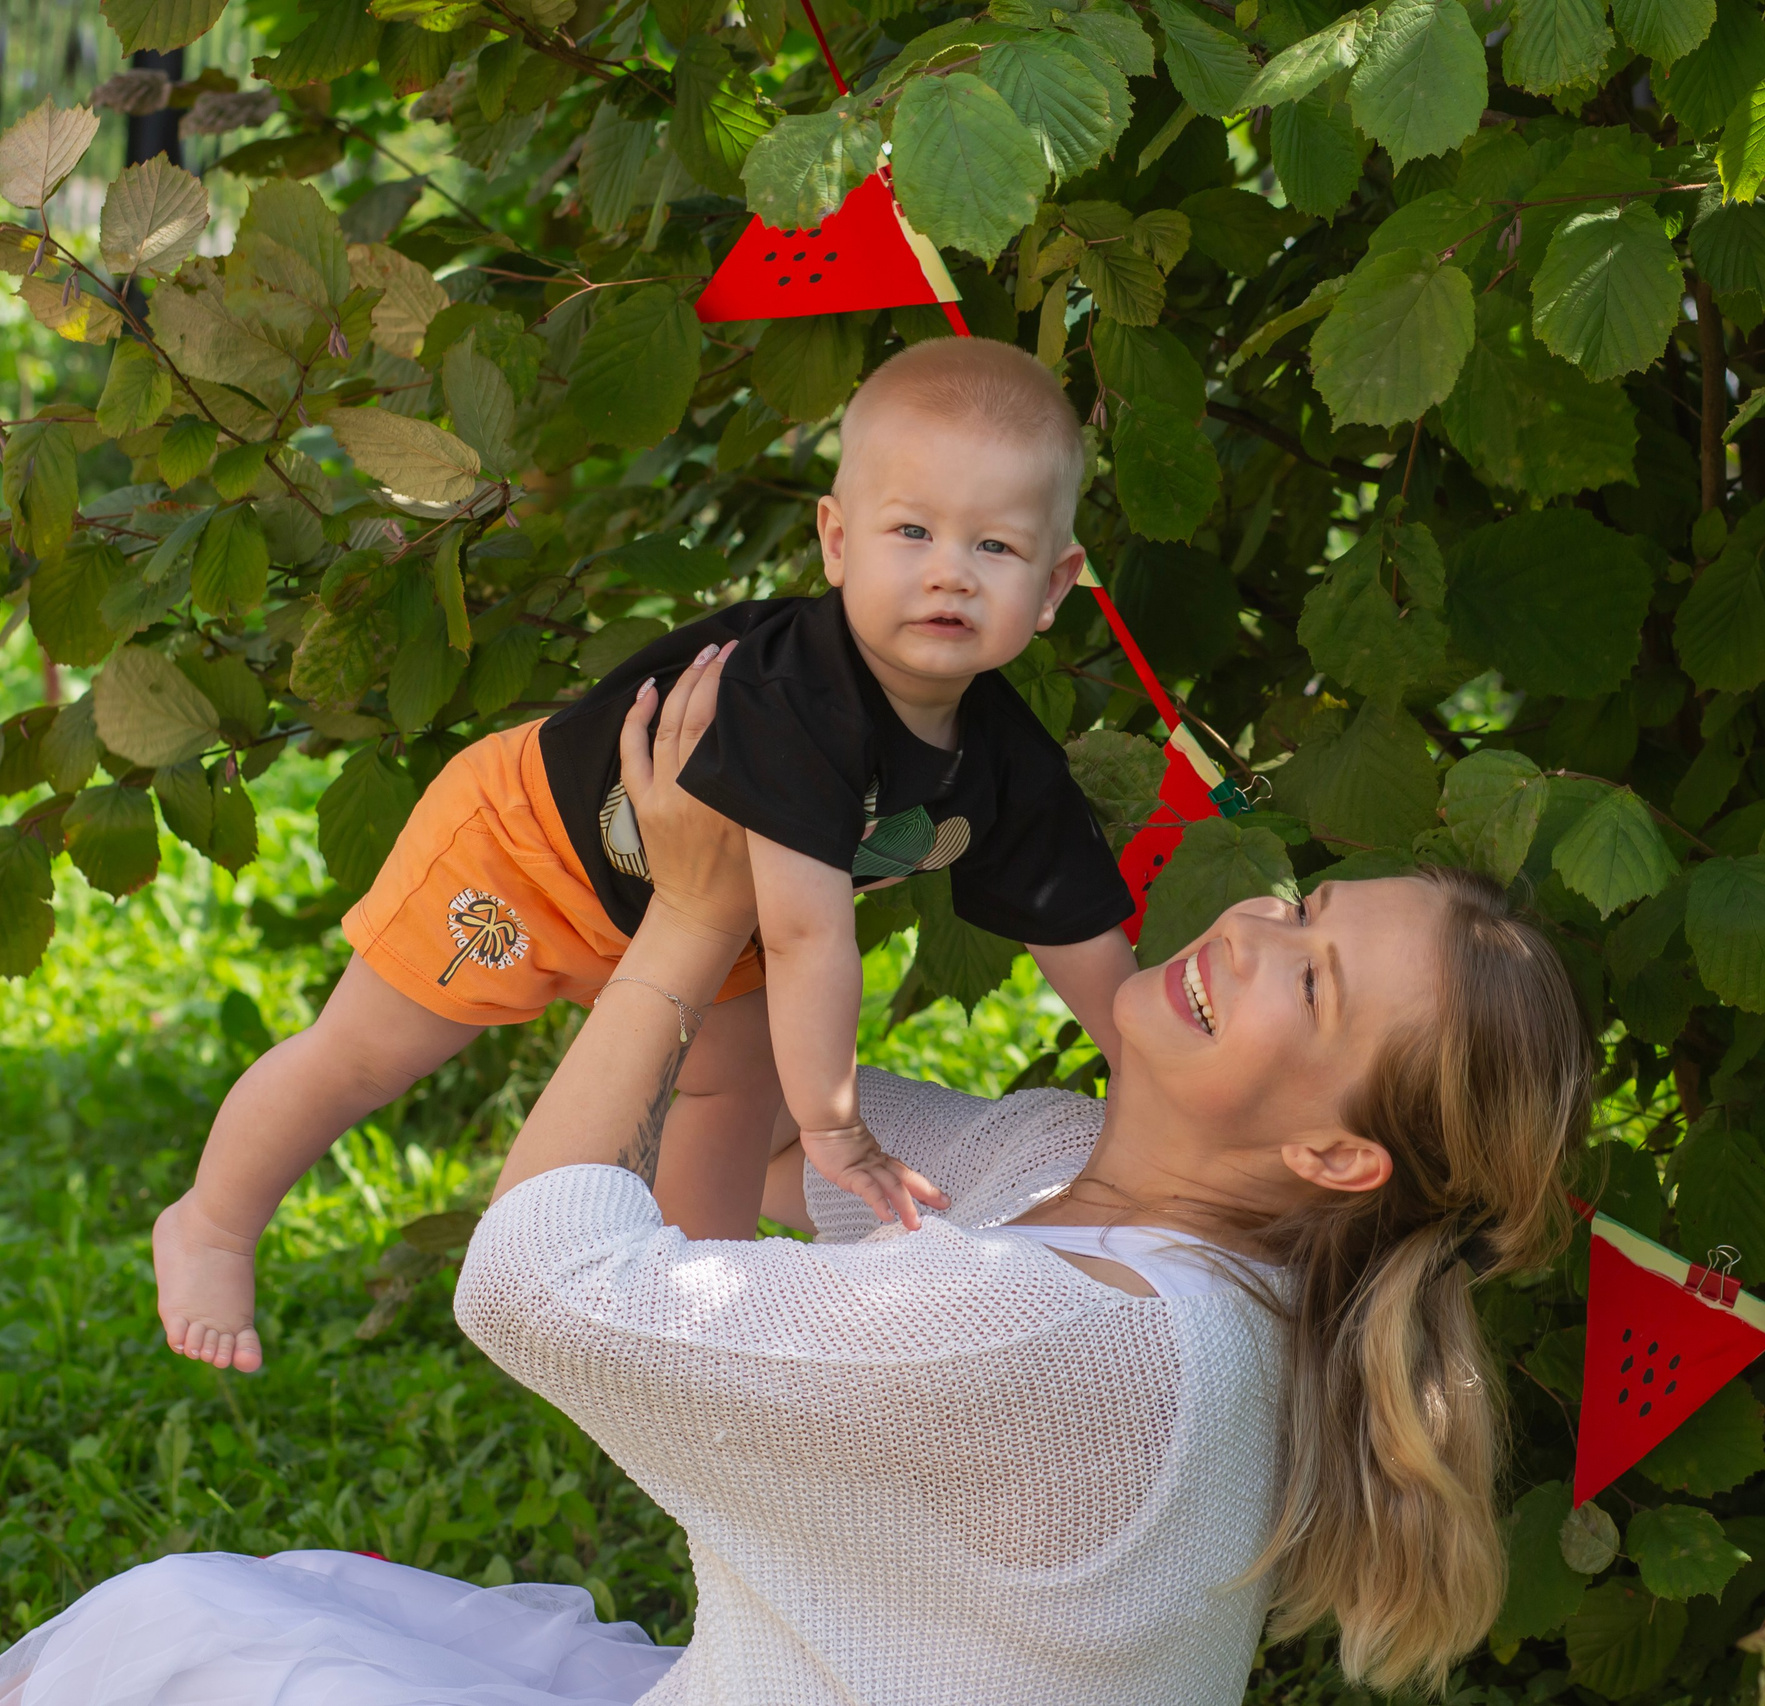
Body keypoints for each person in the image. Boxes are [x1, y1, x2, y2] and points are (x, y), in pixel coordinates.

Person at [11, 647, 1592, 1705]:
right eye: (1301, 907)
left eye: (1311, 984)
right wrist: (780, 855)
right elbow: (775, 1128)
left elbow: (534, 1282)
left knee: (162, 1646)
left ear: (1335, 1152)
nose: (1251, 931)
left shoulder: (1070, 1336)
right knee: (262, 1608)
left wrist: (693, 924)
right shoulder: (1087, 1181)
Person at [154, 336, 1144, 1375]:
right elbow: (813, 936)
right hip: (526, 852)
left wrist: (1144, 1073)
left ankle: (704, 1307)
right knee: (365, 1051)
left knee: (727, 1092)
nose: (949, 570)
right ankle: (213, 1221)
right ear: (838, 541)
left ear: (1054, 583)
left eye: (994, 547)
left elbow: (1072, 923)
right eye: (912, 531)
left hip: (712, 915)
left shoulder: (1002, 753)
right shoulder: (798, 692)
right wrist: (836, 1128)